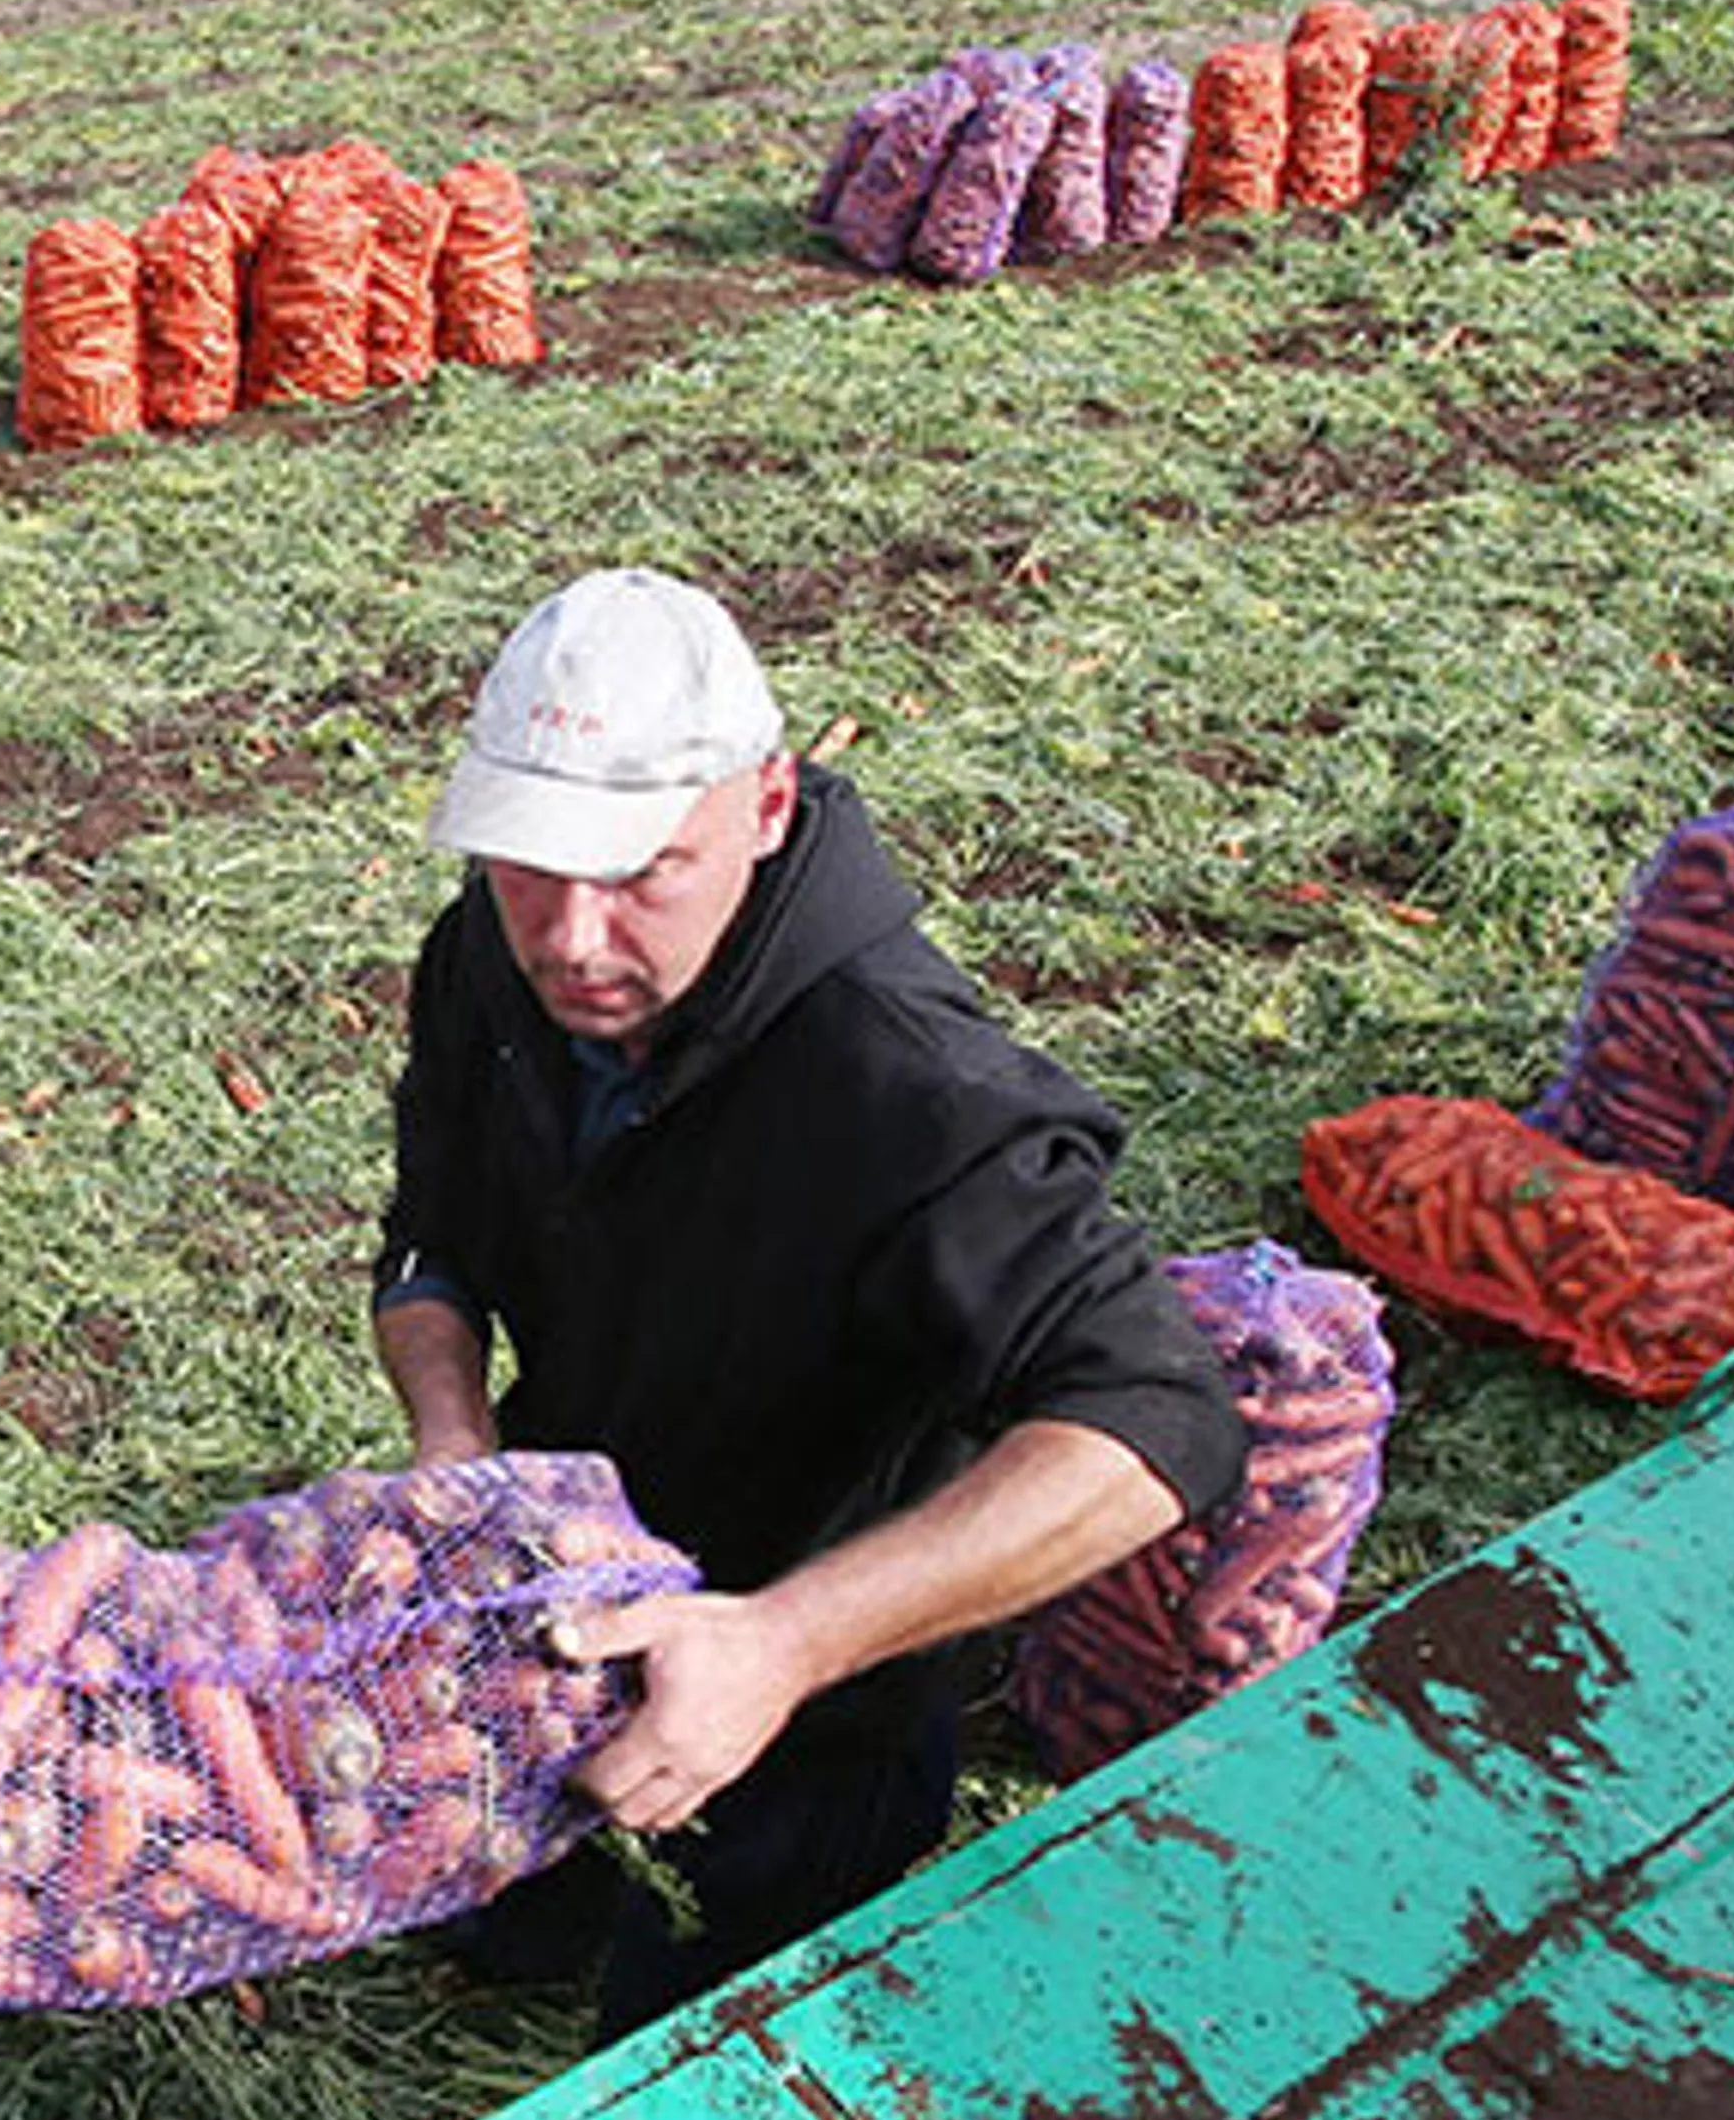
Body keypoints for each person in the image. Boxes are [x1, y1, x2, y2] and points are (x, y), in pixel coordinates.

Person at [372, 566, 1244, 2044]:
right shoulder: (490, 953)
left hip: (813, 1688)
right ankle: (524, 1932)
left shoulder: (909, 1089)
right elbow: (431, 1233)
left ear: (767, 804)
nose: (574, 938)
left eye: (646, 867)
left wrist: (779, 1643)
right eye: (535, 862)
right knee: (512, 1882)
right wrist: (455, 1434)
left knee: (697, 2028)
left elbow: (1156, 1416)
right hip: (551, 1591)